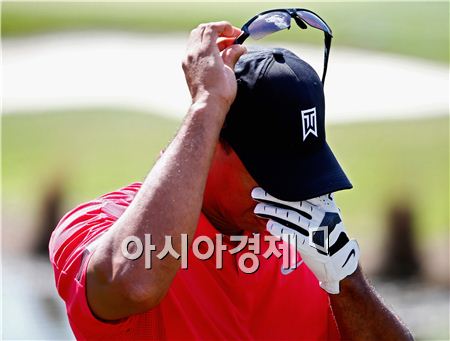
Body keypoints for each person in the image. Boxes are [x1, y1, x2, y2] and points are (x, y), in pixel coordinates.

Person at [49, 22, 413, 340]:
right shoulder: (97, 224)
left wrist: (348, 282)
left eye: (302, 174)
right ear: (213, 140)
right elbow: (133, 284)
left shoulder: (307, 244)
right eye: (273, 172)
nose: (290, 192)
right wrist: (207, 103)